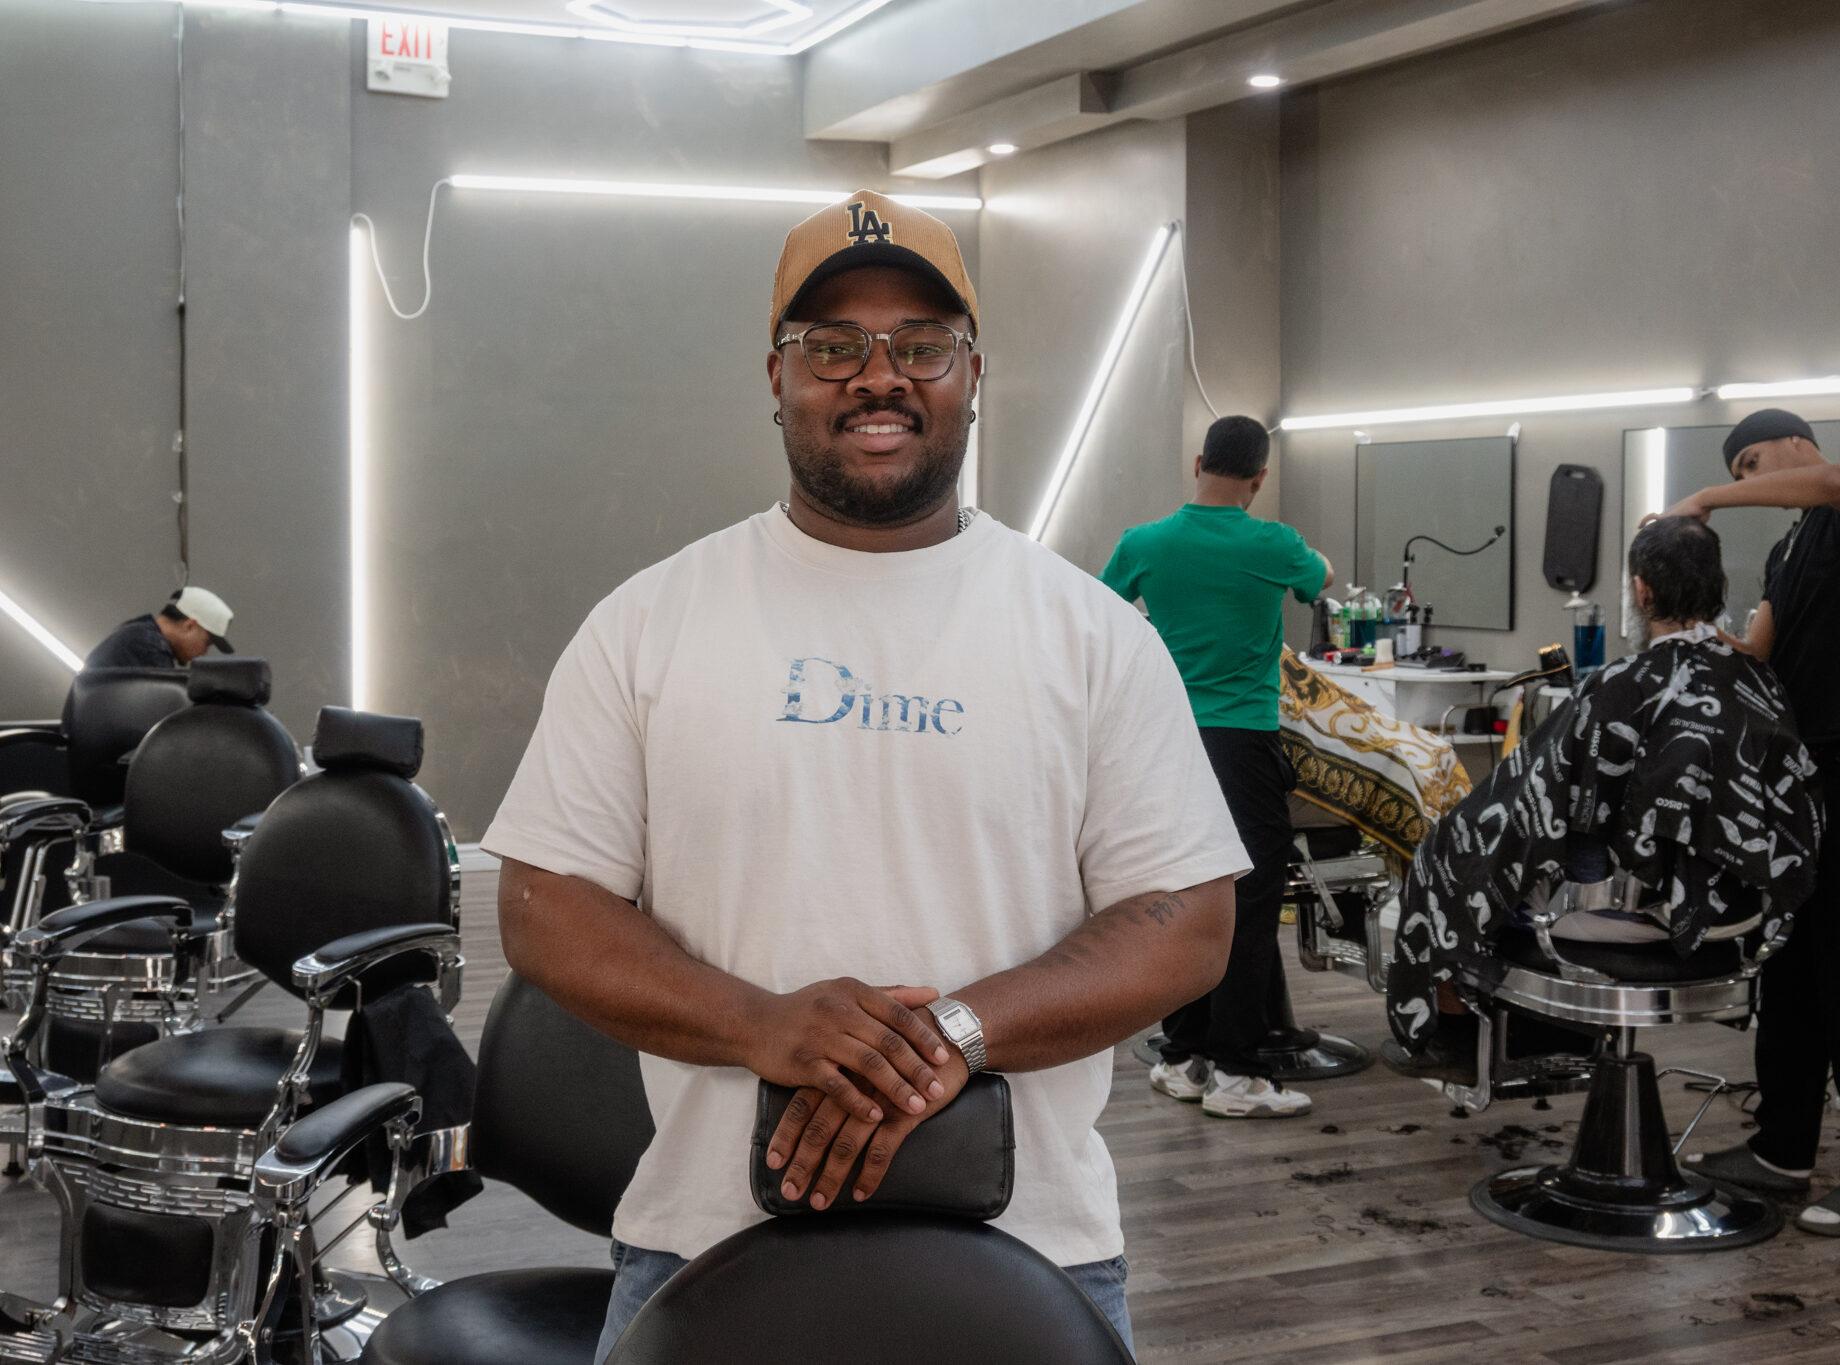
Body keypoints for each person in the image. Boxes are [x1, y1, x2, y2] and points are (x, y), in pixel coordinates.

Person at [484, 189, 1248, 1358]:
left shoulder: (1092, 635)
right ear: (777, 376)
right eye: (833, 346)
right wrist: (757, 1025)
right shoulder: (648, 624)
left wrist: (954, 1034)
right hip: (703, 1248)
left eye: (921, 345)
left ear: (973, 373)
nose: (879, 376)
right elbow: (545, 908)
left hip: (1033, 1255)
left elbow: (1186, 922)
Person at [1385, 517, 1819, 1076]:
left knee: (1447, 857)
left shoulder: (1620, 684)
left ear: (1642, 591)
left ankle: (1456, 1038)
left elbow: (1524, 810)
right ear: (1719, 588)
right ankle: (1548, 1030)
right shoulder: (1761, 684)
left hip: (1626, 918)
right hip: (1738, 917)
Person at [1099, 416, 1332, 1119]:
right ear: (1259, 477)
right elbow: (1319, 579)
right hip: (1240, 743)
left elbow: (1099, 613)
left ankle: (1184, 1056)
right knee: (1250, 904)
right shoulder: (1273, 543)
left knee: (1180, 896)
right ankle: (1235, 1074)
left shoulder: (1144, 542)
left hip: (1164, 741)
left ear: (1199, 461)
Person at [1661, 408, 1840, 1234]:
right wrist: (1684, 626)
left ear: (1796, 444)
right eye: (1736, 475)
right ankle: (1782, 1147)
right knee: (1791, 967)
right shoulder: (1787, 549)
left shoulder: (1833, 502)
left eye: (1753, 465)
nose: (1749, 484)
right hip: (1802, 778)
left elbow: (1833, 481)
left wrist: (1705, 497)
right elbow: (1757, 653)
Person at [82, 586, 235, 669]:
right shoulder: (149, 646)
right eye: (206, 643)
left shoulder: (138, 634)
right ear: (189, 626)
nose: (203, 653)